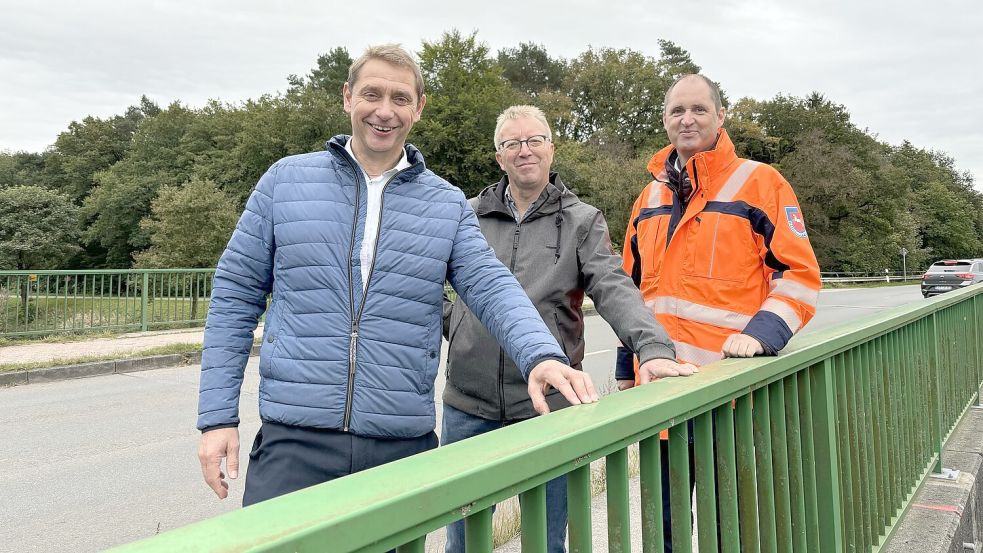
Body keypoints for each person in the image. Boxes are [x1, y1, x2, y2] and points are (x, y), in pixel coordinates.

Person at [195, 44, 597, 507]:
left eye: (401, 98)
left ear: (419, 108)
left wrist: (541, 356)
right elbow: (234, 297)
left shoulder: (445, 203)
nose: (384, 111)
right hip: (295, 441)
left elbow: (491, 287)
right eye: (372, 94)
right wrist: (217, 417)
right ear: (347, 97)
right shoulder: (285, 182)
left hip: (401, 446)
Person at [441, 105, 698, 553]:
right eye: (512, 143)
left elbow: (614, 286)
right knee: (463, 543)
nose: (525, 151)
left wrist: (653, 348)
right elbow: (426, 284)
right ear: (498, 156)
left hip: (550, 407)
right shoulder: (465, 215)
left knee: (546, 540)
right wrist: (456, 324)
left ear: (551, 148)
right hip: (468, 405)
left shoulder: (582, 221)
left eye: (535, 140)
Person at [619, 74, 821, 550]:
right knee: (663, 528)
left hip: (728, 399)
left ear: (720, 116)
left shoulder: (760, 182)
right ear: (665, 120)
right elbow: (629, 292)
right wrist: (624, 365)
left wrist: (764, 333)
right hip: (661, 400)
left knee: (725, 527)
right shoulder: (648, 197)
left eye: (698, 110)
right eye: (676, 111)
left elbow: (799, 275)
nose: (687, 120)